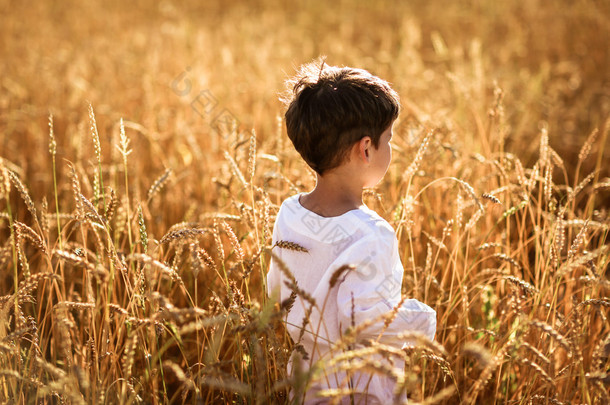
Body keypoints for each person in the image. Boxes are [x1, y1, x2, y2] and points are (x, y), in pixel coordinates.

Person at [267, 59, 437, 404]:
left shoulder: (289, 213)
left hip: (307, 382)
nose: (391, 149)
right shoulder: (370, 234)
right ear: (366, 148)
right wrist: (424, 321)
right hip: (360, 389)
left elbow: (278, 292)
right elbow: (367, 324)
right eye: (388, 140)